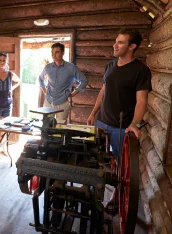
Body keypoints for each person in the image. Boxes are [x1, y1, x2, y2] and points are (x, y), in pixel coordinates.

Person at [86, 28, 152, 213]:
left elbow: (142, 101)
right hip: (101, 122)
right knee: (99, 158)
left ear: (132, 46)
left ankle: (114, 198)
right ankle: (95, 191)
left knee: (120, 167)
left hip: (120, 128)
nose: (115, 45)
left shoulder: (141, 71)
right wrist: (93, 113)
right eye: (116, 41)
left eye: (120, 42)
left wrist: (135, 124)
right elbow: (103, 91)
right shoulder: (110, 66)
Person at [39, 43, 88, 123]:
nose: (53, 55)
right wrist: (44, 91)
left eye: (57, 52)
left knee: (59, 129)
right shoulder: (47, 67)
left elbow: (84, 81)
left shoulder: (71, 68)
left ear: (63, 53)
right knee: (46, 127)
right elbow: (40, 79)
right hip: (48, 102)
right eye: (52, 52)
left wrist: (73, 93)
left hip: (63, 103)